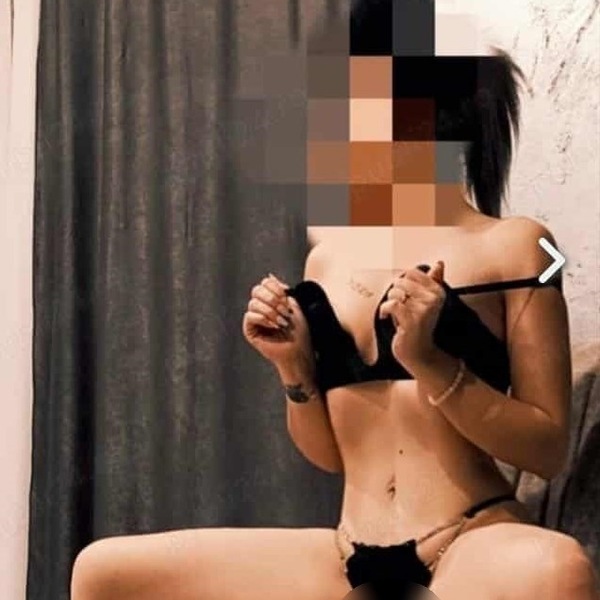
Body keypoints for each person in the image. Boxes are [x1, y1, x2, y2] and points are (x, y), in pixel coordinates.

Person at [70, 2, 600, 599]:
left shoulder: (525, 246)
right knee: (103, 571)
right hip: (346, 549)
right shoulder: (328, 258)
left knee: (559, 568)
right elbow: (329, 455)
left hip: (468, 541)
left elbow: (547, 448)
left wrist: (434, 365)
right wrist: (294, 370)